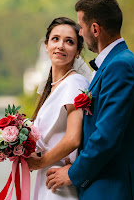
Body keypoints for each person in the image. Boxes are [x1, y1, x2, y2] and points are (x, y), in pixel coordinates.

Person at [46, 0, 134, 200]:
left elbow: (106, 136)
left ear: (95, 29)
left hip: (111, 190)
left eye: (81, 27)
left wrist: (73, 174)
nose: (80, 33)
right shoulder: (116, 63)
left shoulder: (120, 66)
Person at [26, 17, 92, 200]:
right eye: (55, 39)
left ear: (78, 52)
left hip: (59, 177)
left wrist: (39, 163)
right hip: (48, 176)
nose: (60, 46)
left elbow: (73, 139)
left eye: (69, 41)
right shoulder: (52, 87)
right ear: (46, 46)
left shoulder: (74, 83)